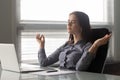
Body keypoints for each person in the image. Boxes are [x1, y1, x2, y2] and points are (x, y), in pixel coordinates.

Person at [36, 11, 111, 71]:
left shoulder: (88, 46)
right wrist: (41, 45)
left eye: (73, 22)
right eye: (68, 21)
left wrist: (95, 45)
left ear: (82, 26)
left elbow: (80, 68)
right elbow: (44, 63)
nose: (68, 24)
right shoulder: (67, 45)